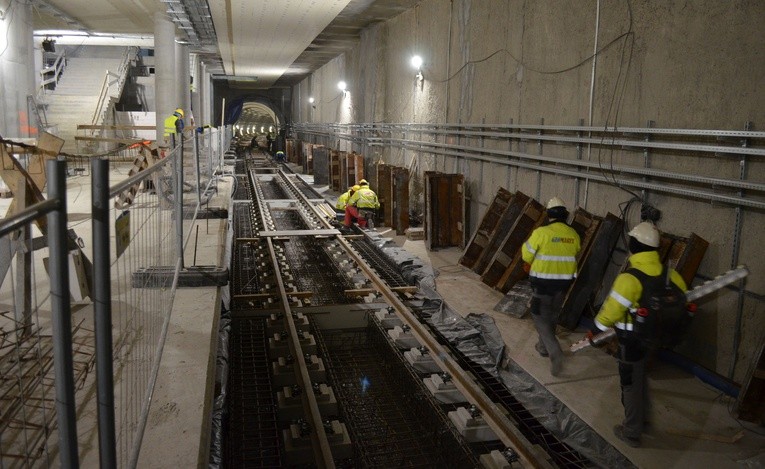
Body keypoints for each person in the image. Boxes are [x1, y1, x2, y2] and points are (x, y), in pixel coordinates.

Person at [593, 221, 688, 448]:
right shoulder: (670, 275)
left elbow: (611, 311)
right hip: (654, 339)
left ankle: (632, 431)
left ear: (634, 246)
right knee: (640, 377)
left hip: (632, 342)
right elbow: (683, 300)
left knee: (630, 383)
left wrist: (596, 328)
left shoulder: (630, 278)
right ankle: (644, 421)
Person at [521, 197, 581, 377]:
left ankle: (554, 350)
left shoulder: (542, 232)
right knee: (552, 314)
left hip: (543, 283)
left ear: (549, 215)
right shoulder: (573, 234)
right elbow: (575, 252)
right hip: (563, 283)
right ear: (565, 215)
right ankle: (543, 347)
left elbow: (526, 255)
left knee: (538, 315)